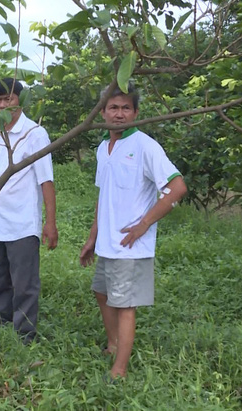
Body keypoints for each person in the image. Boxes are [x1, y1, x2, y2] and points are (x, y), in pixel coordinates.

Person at [79, 83, 187, 379]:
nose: (119, 114)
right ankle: (113, 344)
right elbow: (105, 196)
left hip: (130, 245)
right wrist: (92, 237)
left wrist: (143, 224)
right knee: (102, 292)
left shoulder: (145, 146)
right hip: (107, 242)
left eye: (126, 108)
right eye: (113, 108)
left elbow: (177, 187)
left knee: (125, 305)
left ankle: (120, 370)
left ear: (136, 113)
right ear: (102, 112)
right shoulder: (104, 147)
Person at [0, 77, 58, 344]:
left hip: (21, 221)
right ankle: (0, 320)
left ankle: (25, 334)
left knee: (24, 283)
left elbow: (46, 180)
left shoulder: (34, 134)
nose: (3, 105)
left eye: (8, 99)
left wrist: (50, 223)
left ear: (20, 100)